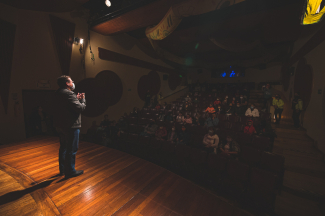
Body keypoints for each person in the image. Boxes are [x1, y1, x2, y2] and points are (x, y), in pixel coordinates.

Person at [53, 75, 86, 178]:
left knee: (63, 147)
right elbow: (80, 108)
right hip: (71, 126)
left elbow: (65, 106)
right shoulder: (69, 94)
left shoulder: (57, 93)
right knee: (71, 149)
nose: (73, 82)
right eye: (71, 81)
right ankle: (70, 171)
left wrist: (75, 98)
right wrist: (82, 100)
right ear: (67, 83)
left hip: (60, 125)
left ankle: (63, 169)